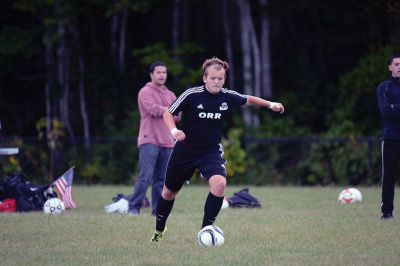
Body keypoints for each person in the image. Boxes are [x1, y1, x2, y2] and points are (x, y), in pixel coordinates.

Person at [150, 57, 285, 242]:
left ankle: (206, 229)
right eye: (213, 78)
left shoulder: (227, 96)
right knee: (168, 192)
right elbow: (168, 112)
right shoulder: (192, 94)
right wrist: (174, 130)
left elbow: (248, 99)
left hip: (210, 152)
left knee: (220, 184)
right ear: (205, 78)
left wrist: (271, 104)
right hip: (185, 150)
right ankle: (159, 230)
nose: (217, 82)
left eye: (220, 79)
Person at [128, 61, 178, 217]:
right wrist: (170, 110)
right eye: (159, 72)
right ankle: (134, 208)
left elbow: (179, 115)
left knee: (161, 180)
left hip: (168, 141)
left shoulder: (170, 95)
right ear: (151, 74)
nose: (162, 75)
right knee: (145, 177)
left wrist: (171, 112)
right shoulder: (145, 92)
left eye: (164, 72)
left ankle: (157, 211)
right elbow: (153, 109)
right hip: (149, 140)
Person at [377, 52, 400, 220]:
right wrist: (392, 109)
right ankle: (387, 212)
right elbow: (386, 112)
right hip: (391, 136)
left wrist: (395, 107)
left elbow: (393, 110)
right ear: (390, 67)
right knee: (389, 175)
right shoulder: (383, 88)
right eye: (397, 64)